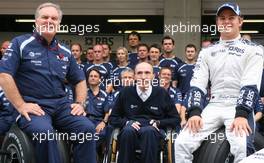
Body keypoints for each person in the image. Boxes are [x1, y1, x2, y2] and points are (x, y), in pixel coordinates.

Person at [0, 3, 96, 163]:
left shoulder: (65, 51)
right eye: (45, 17)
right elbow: (4, 75)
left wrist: (80, 103)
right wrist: (21, 105)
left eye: (54, 18)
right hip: (33, 107)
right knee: (45, 134)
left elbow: (80, 80)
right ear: (36, 21)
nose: (49, 21)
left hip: (61, 107)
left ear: (59, 24)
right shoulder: (20, 43)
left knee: (87, 129)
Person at [174, 2, 263, 163]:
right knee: (181, 143)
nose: (226, 22)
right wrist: (194, 112)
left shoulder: (254, 50)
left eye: (231, 18)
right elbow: (197, 84)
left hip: (238, 105)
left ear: (240, 21)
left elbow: (251, 84)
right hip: (213, 105)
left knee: (242, 146)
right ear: (217, 23)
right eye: (222, 18)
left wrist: (242, 114)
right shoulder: (207, 52)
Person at [109, 62, 180, 163]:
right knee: (127, 131)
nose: (143, 77)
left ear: (153, 76)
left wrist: (159, 123)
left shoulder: (161, 93)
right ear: (134, 76)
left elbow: (175, 119)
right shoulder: (125, 92)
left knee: (149, 131)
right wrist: (126, 123)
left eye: (147, 73)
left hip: (153, 130)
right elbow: (113, 118)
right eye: (139, 73)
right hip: (130, 129)